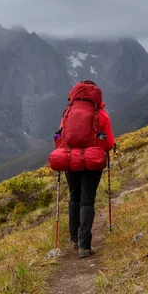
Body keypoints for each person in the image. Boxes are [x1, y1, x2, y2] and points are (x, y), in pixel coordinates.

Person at [54, 80, 115, 258]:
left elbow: (60, 135)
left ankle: (73, 239)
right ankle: (84, 246)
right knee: (87, 201)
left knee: (74, 198)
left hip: (70, 159)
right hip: (92, 161)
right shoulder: (101, 114)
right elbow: (109, 142)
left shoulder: (68, 112)